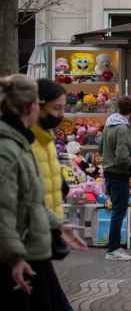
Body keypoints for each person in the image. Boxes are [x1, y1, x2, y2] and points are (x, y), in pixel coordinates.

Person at [0, 75, 86, 311]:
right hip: (20, 250)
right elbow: (4, 208)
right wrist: (15, 256)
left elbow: (30, 200)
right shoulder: (9, 148)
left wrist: (59, 225)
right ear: (31, 107)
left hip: (30, 245)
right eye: (51, 106)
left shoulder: (21, 142)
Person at [100, 95, 131, 261]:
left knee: (116, 209)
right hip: (119, 172)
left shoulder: (109, 124)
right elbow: (122, 156)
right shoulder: (122, 128)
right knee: (118, 211)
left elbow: (100, 147)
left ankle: (113, 247)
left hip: (109, 170)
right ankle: (113, 249)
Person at [31, 79, 66, 221]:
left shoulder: (48, 139)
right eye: (57, 108)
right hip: (37, 228)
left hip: (52, 226)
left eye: (63, 108)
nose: (61, 114)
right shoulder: (27, 142)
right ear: (38, 106)